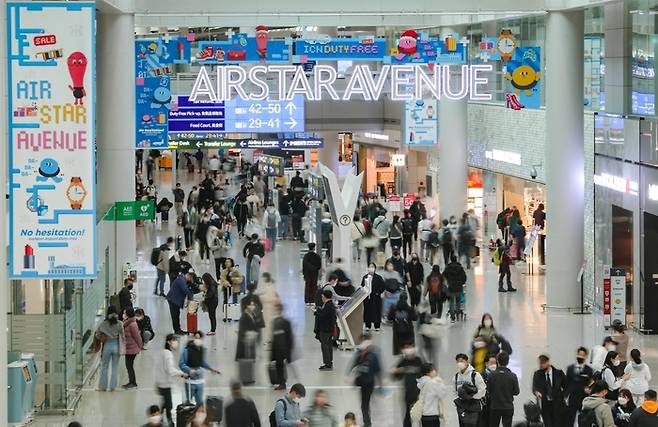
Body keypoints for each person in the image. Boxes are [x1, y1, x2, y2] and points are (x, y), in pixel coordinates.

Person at [179, 331, 220, 405]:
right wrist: (189, 370)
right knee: (188, 402)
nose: (197, 339)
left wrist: (211, 369)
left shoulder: (201, 349)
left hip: (200, 380)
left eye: (199, 338)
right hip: (190, 381)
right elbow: (181, 364)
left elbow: (202, 362)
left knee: (200, 402)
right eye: (196, 337)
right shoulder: (186, 350)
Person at [349, 334, 381, 427]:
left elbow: (378, 369)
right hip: (362, 382)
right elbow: (354, 364)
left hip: (370, 383)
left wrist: (381, 383)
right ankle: (367, 422)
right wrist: (349, 375)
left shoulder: (373, 354)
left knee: (365, 404)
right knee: (364, 404)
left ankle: (367, 423)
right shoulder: (360, 353)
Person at [155, 334, 188, 425]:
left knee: (165, 403)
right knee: (169, 405)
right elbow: (170, 370)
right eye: (174, 340)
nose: (176, 343)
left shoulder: (163, 352)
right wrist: (182, 374)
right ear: (169, 342)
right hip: (165, 384)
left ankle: (159, 418)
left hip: (161, 383)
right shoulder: (168, 354)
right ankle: (169, 423)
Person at [393, 343, 424, 427]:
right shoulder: (403, 361)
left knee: (421, 413)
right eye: (406, 347)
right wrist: (398, 371)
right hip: (408, 392)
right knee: (407, 414)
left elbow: (425, 373)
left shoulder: (419, 360)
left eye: (410, 347)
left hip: (419, 392)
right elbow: (396, 375)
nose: (409, 349)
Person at [531, 354, 567, 427]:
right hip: (546, 405)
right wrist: (536, 392)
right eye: (540, 364)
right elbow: (534, 387)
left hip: (558, 405)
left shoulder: (559, 373)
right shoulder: (537, 374)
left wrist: (562, 396)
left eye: (543, 364)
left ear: (548, 362)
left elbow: (567, 387)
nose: (541, 366)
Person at [95, 306, 125, 392]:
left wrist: (103, 337)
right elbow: (123, 335)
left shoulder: (104, 323)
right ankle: (113, 387)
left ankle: (102, 387)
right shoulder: (120, 323)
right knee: (115, 367)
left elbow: (97, 334)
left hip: (107, 346)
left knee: (104, 366)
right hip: (116, 346)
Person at [487, 351, 519, 427]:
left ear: (497, 361)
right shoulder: (512, 376)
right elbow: (516, 392)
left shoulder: (491, 375)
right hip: (508, 407)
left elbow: (488, 390)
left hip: (495, 407)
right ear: (508, 362)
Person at [565, 346, 594, 426]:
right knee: (570, 420)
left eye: (582, 355)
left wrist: (589, 389)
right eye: (579, 354)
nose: (580, 357)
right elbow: (567, 384)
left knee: (584, 420)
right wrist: (565, 396)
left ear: (585, 356)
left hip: (583, 399)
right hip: (572, 398)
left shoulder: (589, 370)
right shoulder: (570, 368)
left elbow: (591, 383)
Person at [417, 363, 448, 427]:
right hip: (432, 414)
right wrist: (441, 383)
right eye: (432, 370)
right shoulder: (433, 383)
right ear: (427, 373)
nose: (434, 371)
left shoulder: (421, 382)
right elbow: (442, 394)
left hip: (423, 414)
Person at [271, 303, 294, 390]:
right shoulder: (274, 322)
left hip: (283, 348)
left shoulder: (285, 322)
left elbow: (289, 337)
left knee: (281, 366)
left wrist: (289, 349)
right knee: (279, 366)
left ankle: (283, 382)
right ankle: (282, 383)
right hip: (277, 349)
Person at [235, 300, 263, 371]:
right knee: (246, 363)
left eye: (253, 305)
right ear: (247, 306)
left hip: (250, 342)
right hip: (245, 344)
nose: (253, 306)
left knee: (250, 362)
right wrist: (250, 334)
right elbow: (242, 330)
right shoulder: (244, 317)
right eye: (251, 305)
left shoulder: (252, 314)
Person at [166, 269, 195, 335]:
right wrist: (190, 299)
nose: (190, 279)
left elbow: (188, 290)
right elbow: (186, 290)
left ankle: (178, 329)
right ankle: (177, 331)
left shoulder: (182, 280)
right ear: (187, 275)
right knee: (175, 315)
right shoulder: (181, 280)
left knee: (176, 315)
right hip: (173, 300)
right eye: (190, 278)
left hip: (175, 300)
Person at [315, 289, 336, 371]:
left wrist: (316, 312)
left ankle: (327, 364)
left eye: (322, 296)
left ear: (325, 297)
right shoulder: (330, 305)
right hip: (329, 329)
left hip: (325, 329)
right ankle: (329, 361)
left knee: (325, 346)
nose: (322, 298)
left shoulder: (328, 306)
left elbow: (323, 316)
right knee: (328, 345)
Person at [122, 307, 142, 389]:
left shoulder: (132, 324)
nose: (123, 315)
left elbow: (137, 337)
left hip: (132, 349)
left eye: (124, 313)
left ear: (128, 314)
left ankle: (133, 383)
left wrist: (139, 347)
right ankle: (132, 382)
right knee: (129, 366)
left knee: (129, 366)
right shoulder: (127, 323)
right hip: (129, 348)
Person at [361, 263, 385, 331]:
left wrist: (378, 292)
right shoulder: (365, 277)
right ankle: (367, 325)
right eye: (370, 267)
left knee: (376, 311)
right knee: (367, 311)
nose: (371, 268)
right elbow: (362, 286)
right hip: (367, 298)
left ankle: (377, 325)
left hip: (376, 298)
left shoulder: (378, 277)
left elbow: (383, 286)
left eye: (372, 267)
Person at [443, 255, 467, 322]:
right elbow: (464, 277)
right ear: (456, 259)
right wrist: (462, 282)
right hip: (458, 287)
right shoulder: (460, 268)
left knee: (451, 302)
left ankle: (452, 317)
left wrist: (447, 281)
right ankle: (458, 315)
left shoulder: (448, 268)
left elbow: (444, 275)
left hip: (451, 287)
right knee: (458, 301)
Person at [258, 272, 281, 343]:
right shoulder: (269, 285)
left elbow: (271, 297)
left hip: (270, 307)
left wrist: (261, 297)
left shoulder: (270, 286)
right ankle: (270, 337)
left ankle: (271, 338)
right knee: (268, 324)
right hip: (267, 308)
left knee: (269, 324)